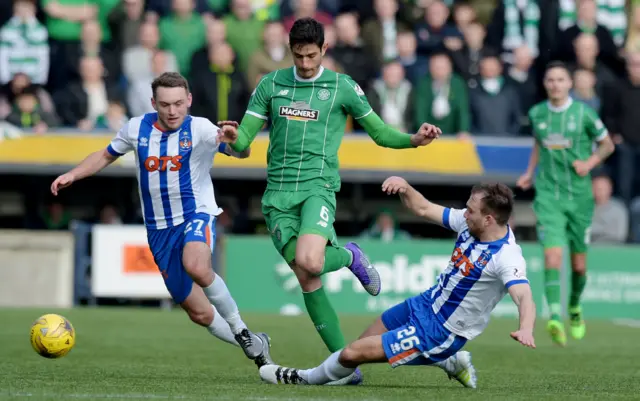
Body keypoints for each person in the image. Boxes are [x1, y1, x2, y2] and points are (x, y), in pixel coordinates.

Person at [216, 17, 441, 385]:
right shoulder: (270, 84)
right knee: (307, 276)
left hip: (317, 187)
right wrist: (231, 137)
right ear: (290, 51)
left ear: (324, 50)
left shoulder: (342, 87)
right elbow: (242, 142)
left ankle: (350, 255)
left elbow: (381, 134)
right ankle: (344, 367)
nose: (305, 64)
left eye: (311, 56)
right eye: (299, 56)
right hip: (277, 195)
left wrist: (414, 140)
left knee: (309, 259)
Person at [50, 72, 272, 367]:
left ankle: (242, 330)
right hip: (159, 230)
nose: (172, 111)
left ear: (189, 100)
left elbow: (239, 152)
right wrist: (72, 174)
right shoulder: (136, 128)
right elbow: (105, 155)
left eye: (179, 103)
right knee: (201, 314)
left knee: (197, 266)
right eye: (165, 104)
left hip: (197, 213)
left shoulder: (201, 129)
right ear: (153, 102)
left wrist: (237, 142)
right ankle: (256, 344)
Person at [258, 178, 536, 388]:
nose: (464, 212)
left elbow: (524, 296)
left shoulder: (506, 255)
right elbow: (424, 208)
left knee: (352, 354)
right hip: (425, 304)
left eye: (471, 210)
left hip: (441, 331)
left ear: (488, 219)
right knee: (360, 345)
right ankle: (451, 363)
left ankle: (299, 377)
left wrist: (525, 328)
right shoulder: (469, 223)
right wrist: (405, 187)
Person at [517, 61, 615, 346]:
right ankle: (555, 317)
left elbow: (607, 144)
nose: (555, 84)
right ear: (546, 84)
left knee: (579, 265)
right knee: (552, 258)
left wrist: (590, 162)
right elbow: (538, 144)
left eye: (561, 80)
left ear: (569, 84)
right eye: (551, 80)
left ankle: (574, 306)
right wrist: (529, 172)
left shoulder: (584, 114)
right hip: (549, 197)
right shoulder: (537, 114)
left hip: (579, 200)